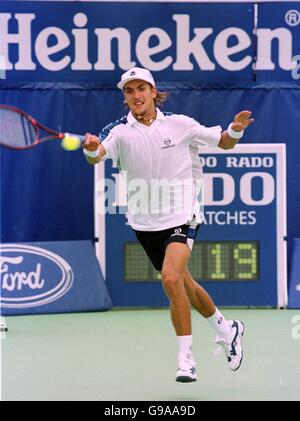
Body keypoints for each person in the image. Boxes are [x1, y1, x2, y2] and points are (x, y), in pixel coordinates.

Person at [83, 67, 254, 383]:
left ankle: (185, 359)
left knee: (172, 279)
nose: (135, 96)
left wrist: (236, 129)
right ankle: (228, 330)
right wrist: (92, 149)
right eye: (129, 91)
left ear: (152, 91)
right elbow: (98, 156)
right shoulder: (118, 131)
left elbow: (225, 142)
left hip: (182, 215)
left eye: (140, 89)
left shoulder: (180, 125)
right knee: (184, 285)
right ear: (126, 98)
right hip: (145, 223)